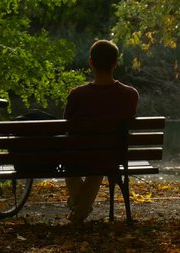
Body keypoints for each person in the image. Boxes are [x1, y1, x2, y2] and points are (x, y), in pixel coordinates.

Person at [63, 39, 139, 223]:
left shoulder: (77, 95)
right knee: (101, 157)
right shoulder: (130, 94)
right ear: (115, 63)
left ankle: (79, 208)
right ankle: (80, 209)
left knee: (72, 158)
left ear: (91, 62)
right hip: (114, 156)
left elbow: (66, 125)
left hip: (79, 155)